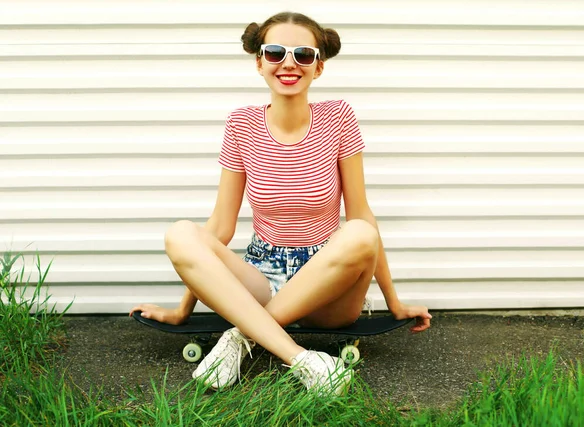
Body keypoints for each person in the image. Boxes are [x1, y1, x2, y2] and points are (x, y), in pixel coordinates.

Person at [130, 11, 432, 396]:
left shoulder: (338, 117)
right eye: (275, 52)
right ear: (259, 63)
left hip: (329, 281)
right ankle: (303, 359)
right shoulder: (241, 124)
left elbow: (361, 214)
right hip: (263, 274)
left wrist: (395, 302)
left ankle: (242, 337)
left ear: (318, 67)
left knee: (358, 232)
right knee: (180, 235)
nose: (289, 63)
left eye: (303, 54)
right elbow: (220, 227)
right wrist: (182, 310)